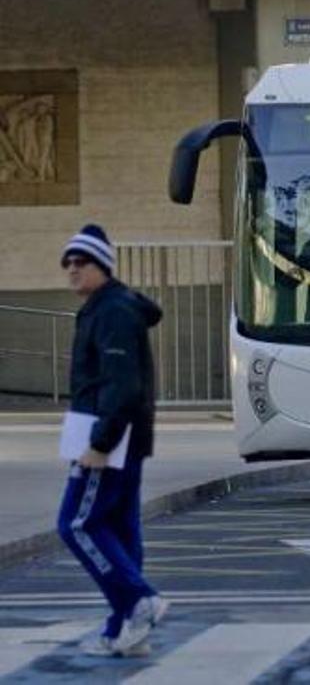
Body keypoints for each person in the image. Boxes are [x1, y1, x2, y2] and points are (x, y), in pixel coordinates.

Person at [56, 224, 168, 657]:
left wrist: (100, 443)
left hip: (109, 440)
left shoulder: (113, 311)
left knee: (77, 524)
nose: (71, 269)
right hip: (119, 438)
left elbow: (122, 386)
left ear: (101, 264)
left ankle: (138, 600)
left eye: (79, 262)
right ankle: (128, 627)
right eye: (67, 262)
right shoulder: (107, 307)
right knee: (119, 530)